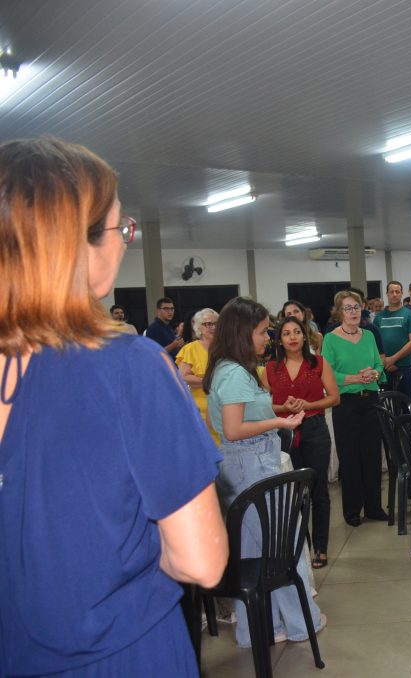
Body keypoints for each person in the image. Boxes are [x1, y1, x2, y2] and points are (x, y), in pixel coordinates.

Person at [0, 137, 227, 676]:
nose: (126, 242)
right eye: (120, 228)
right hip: (118, 653)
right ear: (69, 245)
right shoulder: (129, 365)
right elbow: (202, 560)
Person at [204, 297, 323, 648]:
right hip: (251, 462)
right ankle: (303, 624)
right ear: (242, 334)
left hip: (241, 463)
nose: (265, 339)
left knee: (256, 549)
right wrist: (280, 421)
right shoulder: (235, 372)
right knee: (280, 547)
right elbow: (234, 428)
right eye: (260, 332)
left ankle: (267, 626)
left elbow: (236, 414)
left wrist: (274, 409)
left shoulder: (228, 369)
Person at [263, 316, 340, 569]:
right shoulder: (270, 368)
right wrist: (283, 407)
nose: (293, 337)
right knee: (291, 492)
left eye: (297, 332)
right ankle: (299, 547)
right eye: (286, 333)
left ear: (305, 336)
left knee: (317, 488)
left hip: (315, 429)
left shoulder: (318, 362)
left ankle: (320, 547)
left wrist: (309, 405)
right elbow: (263, 406)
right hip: (283, 433)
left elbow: (334, 398)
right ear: (280, 339)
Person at [322, 290, 387, 526]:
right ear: (339, 312)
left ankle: (374, 507)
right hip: (346, 404)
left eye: (357, 307)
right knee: (349, 458)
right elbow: (326, 374)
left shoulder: (369, 335)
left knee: (372, 455)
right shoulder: (330, 338)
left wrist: (374, 373)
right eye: (348, 308)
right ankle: (352, 511)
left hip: (370, 400)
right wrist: (354, 378)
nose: (353, 312)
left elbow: (380, 364)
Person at [176, 308, 221, 443]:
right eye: (208, 324)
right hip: (200, 408)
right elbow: (183, 376)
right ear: (198, 327)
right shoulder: (190, 348)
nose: (212, 327)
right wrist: (208, 380)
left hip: (223, 406)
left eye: (215, 323)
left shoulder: (225, 348)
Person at [374, 280, 411, 402]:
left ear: (402, 294)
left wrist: (393, 359)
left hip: (404, 367)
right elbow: (374, 343)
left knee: (405, 406)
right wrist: (385, 362)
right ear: (387, 294)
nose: (394, 294)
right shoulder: (379, 317)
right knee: (384, 409)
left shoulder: (409, 315)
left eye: (397, 292)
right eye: (391, 291)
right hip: (383, 368)